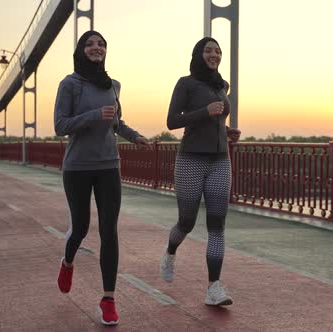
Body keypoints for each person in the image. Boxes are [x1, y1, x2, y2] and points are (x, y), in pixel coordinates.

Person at [54, 30, 149, 326]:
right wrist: (95, 115)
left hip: (109, 166)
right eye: (90, 44)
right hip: (77, 167)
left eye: (102, 44)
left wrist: (135, 137)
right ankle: (67, 261)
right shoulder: (69, 84)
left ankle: (108, 299)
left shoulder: (114, 85)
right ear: (81, 50)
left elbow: (116, 122)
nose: (97, 48)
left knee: (110, 231)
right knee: (80, 228)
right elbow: (60, 125)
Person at [160, 37, 241, 306]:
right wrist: (204, 112)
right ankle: (171, 250)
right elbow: (172, 121)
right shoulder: (186, 83)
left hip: (220, 160)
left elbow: (216, 121)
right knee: (187, 222)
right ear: (198, 54)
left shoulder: (222, 86)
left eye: (218, 51)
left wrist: (228, 132)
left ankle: (213, 288)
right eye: (208, 50)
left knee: (216, 225)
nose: (214, 54)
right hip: (191, 160)